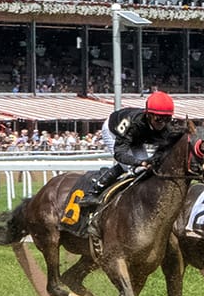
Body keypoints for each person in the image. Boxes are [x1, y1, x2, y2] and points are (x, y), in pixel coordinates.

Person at [73, 89, 185, 226]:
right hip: (113, 131)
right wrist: (138, 162)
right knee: (131, 169)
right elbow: (119, 153)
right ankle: (92, 192)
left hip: (137, 138)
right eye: (158, 118)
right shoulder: (131, 123)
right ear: (148, 115)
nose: (162, 123)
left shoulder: (165, 126)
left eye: (166, 119)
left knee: (147, 171)